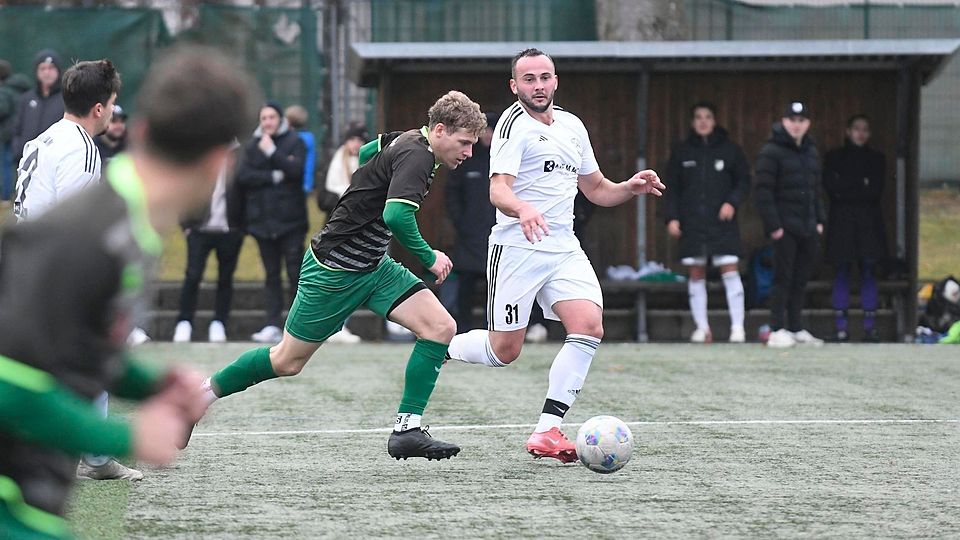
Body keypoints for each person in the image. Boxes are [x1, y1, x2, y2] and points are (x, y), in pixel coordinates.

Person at [0, 45, 255, 540]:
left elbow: (75, 346)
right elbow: (10, 380)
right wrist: (121, 436)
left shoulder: (129, 221)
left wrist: (153, 385)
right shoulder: (94, 234)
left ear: (140, 130)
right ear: (220, 162)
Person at [187, 90, 487, 461]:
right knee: (286, 361)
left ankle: (407, 430)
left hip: (374, 267)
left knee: (440, 327)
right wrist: (429, 257)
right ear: (439, 130)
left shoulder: (407, 139)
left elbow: (366, 153)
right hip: (335, 271)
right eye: (464, 143)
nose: (469, 152)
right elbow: (395, 215)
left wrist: (365, 191)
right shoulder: (418, 155)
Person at [445, 49, 665, 462]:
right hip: (517, 248)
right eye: (529, 79)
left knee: (589, 326)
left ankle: (547, 430)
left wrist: (629, 187)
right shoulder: (512, 124)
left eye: (544, 77)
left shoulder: (572, 126)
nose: (538, 85)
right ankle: (440, 346)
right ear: (515, 86)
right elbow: (498, 190)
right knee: (504, 351)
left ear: (556, 80)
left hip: (563, 246)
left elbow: (595, 189)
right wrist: (524, 209)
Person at [663, 102, 750, 343]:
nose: (703, 121)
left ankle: (738, 328)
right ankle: (702, 328)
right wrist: (672, 217)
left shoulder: (730, 150)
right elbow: (672, 189)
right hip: (693, 222)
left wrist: (732, 202)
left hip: (722, 223)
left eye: (707, 117)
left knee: (730, 268)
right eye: (698, 117)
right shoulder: (682, 152)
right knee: (696, 271)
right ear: (693, 122)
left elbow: (744, 181)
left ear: (714, 121)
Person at [754, 101, 826, 348]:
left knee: (800, 279)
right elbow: (763, 191)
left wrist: (819, 220)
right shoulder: (771, 151)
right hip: (784, 228)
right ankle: (776, 328)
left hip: (808, 226)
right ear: (784, 122)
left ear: (808, 124)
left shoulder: (811, 152)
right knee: (781, 278)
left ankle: (795, 327)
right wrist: (774, 226)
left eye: (801, 121)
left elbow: (815, 191)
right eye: (792, 120)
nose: (796, 125)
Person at [236, 101, 308, 344]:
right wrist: (275, 175)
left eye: (272, 117)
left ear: (281, 119)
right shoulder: (252, 145)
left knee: (295, 273)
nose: (267, 122)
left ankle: (300, 324)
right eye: (264, 118)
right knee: (271, 275)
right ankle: (272, 323)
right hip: (262, 223)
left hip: (291, 222)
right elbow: (244, 176)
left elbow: (296, 171)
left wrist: (272, 153)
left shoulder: (295, 141)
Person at [822, 115, 887, 343]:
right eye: (856, 128)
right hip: (842, 224)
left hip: (869, 224)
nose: (860, 133)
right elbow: (832, 188)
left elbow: (874, 190)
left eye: (865, 129)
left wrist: (847, 186)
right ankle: (841, 328)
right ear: (848, 131)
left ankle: (869, 328)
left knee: (869, 271)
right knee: (841, 271)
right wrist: (859, 184)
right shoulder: (834, 157)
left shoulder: (877, 159)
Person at [172, 156, 245, 344]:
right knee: (193, 276)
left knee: (225, 278)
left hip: (230, 230)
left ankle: (219, 322)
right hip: (199, 230)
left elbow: (248, 191)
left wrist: (242, 228)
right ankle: (184, 321)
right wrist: (186, 225)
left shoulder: (240, 157)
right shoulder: (201, 156)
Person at [443, 111, 498, 332]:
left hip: (496, 233)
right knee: (465, 283)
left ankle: (491, 329)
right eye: (485, 131)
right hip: (468, 234)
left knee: (494, 285)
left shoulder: (504, 160)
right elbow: (452, 194)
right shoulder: (466, 160)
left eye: (492, 131)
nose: (488, 135)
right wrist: (461, 222)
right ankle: (463, 328)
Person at [317, 122, 370, 344]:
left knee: (352, 280)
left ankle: (340, 324)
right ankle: (331, 325)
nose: (355, 144)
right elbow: (324, 199)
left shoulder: (369, 162)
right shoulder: (335, 162)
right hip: (338, 230)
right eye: (352, 139)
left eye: (359, 140)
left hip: (363, 229)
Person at [11, 49, 65, 167]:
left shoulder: (66, 98)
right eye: (42, 68)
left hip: (55, 164)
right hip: (26, 164)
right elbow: (17, 129)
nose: (47, 72)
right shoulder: (26, 98)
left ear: (58, 70)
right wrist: (18, 151)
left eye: (51, 68)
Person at [0, 61, 32, 202]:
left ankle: (6, 196)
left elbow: (3, 109)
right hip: (22, 130)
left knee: (6, 164)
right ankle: (19, 192)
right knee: (21, 163)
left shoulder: (4, 90)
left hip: (7, 134)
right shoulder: (21, 88)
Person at [284, 104, 316, 194]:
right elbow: (310, 162)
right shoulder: (309, 137)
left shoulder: (291, 138)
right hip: (305, 182)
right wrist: (308, 183)